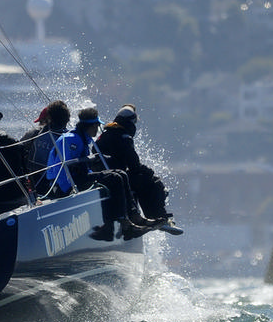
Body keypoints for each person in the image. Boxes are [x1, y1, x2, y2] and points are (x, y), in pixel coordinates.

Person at [45, 107, 150, 241]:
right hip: (62, 185)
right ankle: (124, 225)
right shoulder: (73, 140)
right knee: (115, 178)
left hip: (77, 178)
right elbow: (63, 168)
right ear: (93, 125)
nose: (98, 128)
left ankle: (134, 218)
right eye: (97, 125)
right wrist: (68, 190)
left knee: (120, 174)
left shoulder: (82, 137)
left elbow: (82, 169)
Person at [94, 104, 180, 232]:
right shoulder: (123, 137)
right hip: (117, 179)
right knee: (152, 181)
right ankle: (159, 218)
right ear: (130, 122)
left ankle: (142, 216)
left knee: (139, 178)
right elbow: (134, 165)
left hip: (106, 177)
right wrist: (149, 172)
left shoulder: (105, 135)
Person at [21, 100, 70, 196]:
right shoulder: (70, 137)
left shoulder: (35, 133)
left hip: (35, 182)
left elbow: (19, 149)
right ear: (67, 118)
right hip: (57, 184)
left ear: (49, 118)